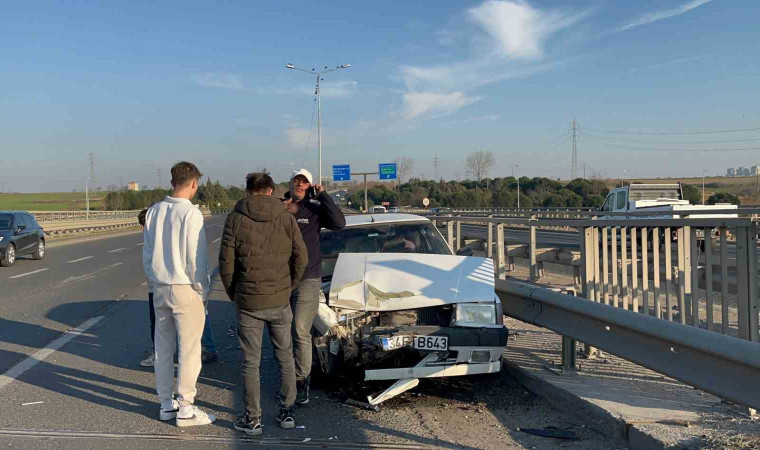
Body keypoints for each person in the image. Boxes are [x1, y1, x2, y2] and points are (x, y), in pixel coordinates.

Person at [219, 172, 308, 435]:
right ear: (271, 191)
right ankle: (287, 412)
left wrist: (235, 293)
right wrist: (288, 287)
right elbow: (301, 258)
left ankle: (253, 419)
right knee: (285, 358)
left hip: (249, 302)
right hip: (280, 299)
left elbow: (226, 264)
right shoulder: (286, 218)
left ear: (248, 191)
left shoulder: (235, 218)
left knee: (250, 362)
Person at [142, 161, 216, 427]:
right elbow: (195, 259)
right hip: (185, 288)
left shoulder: (154, 211)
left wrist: (153, 281)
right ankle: (186, 407)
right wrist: (203, 290)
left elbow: (148, 255)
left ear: (173, 181)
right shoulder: (191, 213)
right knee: (189, 350)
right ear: (194, 183)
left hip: (159, 286)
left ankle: (165, 404)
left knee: (163, 350)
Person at [283, 168, 345, 405]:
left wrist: (324, 196)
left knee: (300, 329)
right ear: (290, 183)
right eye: (296, 181)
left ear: (309, 186)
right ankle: (287, 377)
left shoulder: (315, 209)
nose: (300, 185)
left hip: (308, 278)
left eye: (304, 182)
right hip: (280, 279)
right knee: (282, 331)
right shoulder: (280, 206)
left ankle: (301, 381)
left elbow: (339, 223)